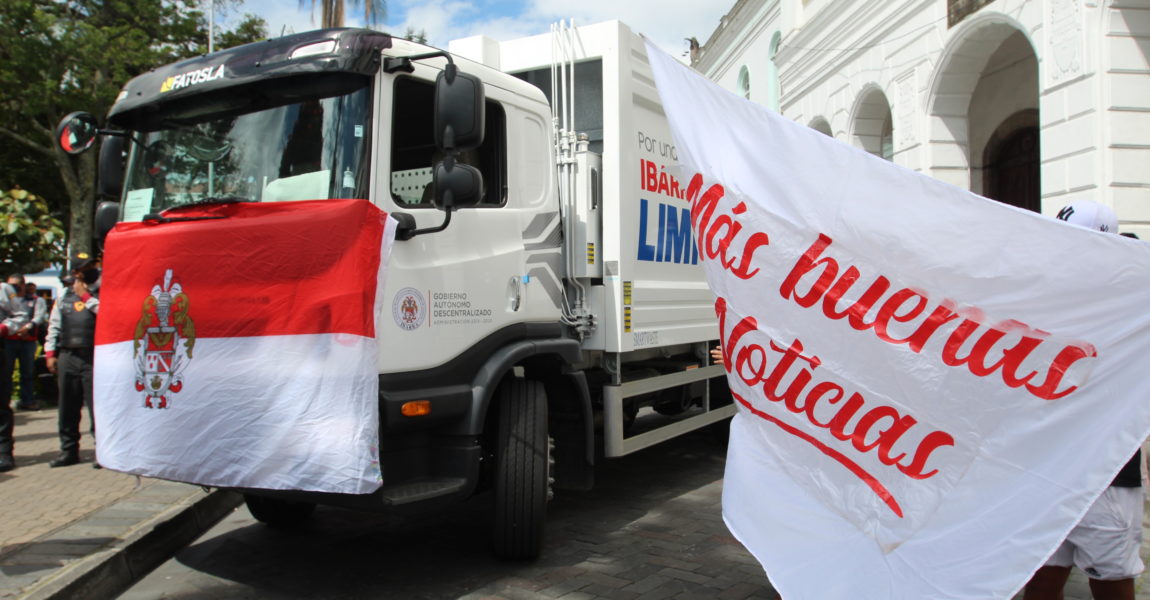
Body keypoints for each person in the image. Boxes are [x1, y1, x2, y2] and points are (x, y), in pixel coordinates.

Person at [1024, 200, 1141, 600]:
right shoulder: (1050, 286)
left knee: (1111, 580)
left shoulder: (1133, 290)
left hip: (1104, 471)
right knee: (1040, 576)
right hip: (1045, 464)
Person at [44, 252, 101, 468]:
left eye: (92, 266)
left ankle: (102, 451)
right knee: (67, 406)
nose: (91, 270)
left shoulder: (100, 293)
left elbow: (107, 315)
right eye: (85, 268)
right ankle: (68, 451)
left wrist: (86, 297)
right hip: (68, 355)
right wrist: (50, 354)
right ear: (76, 272)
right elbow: (54, 327)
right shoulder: (64, 297)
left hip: (92, 356)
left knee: (97, 407)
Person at [3, 276, 47, 411]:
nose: (12, 288)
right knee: (6, 373)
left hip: (28, 341)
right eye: (10, 285)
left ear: (23, 285)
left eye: (15, 285)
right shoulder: (6, 300)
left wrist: (27, 327)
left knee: (27, 373)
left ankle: (27, 401)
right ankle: (5, 402)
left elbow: (39, 317)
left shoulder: (36, 300)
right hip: (9, 340)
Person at [0, 276, 30, 472]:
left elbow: (21, 316)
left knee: (0, 403)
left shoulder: (3, 289)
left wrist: (4, 327)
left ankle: (3, 453)